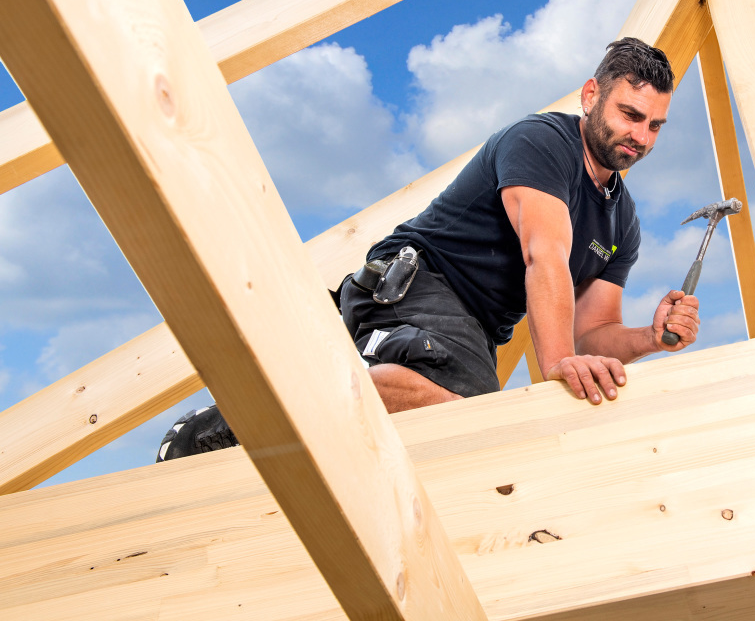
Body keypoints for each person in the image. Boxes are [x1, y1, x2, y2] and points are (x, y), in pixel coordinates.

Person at [156, 37, 700, 461]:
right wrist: (556, 365)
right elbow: (544, 254)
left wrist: (649, 338)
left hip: (469, 330)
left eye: (655, 125)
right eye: (630, 115)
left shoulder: (621, 220)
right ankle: (282, 404)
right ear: (591, 96)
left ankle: (331, 397)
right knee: (474, 418)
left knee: (468, 432)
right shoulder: (543, 143)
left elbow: (592, 333)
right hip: (418, 284)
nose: (642, 137)